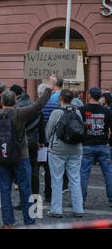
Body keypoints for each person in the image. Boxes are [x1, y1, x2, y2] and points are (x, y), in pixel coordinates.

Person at [0, 74, 57, 227]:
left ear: (1, 102)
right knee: (26, 189)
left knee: (5, 191)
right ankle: (29, 222)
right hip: (21, 157)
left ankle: (7, 223)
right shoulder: (19, 113)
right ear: (16, 101)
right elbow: (39, 105)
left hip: (2, 158)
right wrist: (50, 86)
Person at [45, 89, 84, 218]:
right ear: (72, 99)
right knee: (75, 178)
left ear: (60, 98)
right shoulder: (77, 111)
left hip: (57, 150)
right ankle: (78, 209)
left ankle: (56, 210)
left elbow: (49, 131)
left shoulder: (56, 113)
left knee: (56, 179)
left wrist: (51, 141)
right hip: (76, 149)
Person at [10, 85, 46, 210]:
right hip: (33, 142)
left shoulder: (16, 107)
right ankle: (36, 202)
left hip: (20, 143)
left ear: (15, 95)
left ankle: (23, 202)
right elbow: (42, 125)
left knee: (21, 172)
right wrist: (42, 140)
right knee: (34, 172)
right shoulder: (34, 105)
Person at [79, 87, 112, 208]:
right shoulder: (107, 111)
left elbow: (77, 128)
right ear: (100, 97)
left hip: (87, 145)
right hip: (103, 145)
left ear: (90, 96)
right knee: (108, 173)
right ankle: (111, 199)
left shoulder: (82, 110)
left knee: (83, 174)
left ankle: (81, 200)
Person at [42, 76, 69, 193]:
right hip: (65, 137)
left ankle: (53, 190)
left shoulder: (52, 98)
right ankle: (64, 186)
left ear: (53, 85)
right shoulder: (66, 98)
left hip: (53, 138)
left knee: (53, 167)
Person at [36, 83, 53, 203]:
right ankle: (48, 194)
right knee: (49, 170)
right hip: (50, 142)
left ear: (39, 93)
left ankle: (34, 194)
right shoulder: (55, 105)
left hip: (38, 143)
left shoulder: (35, 106)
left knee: (35, 170)